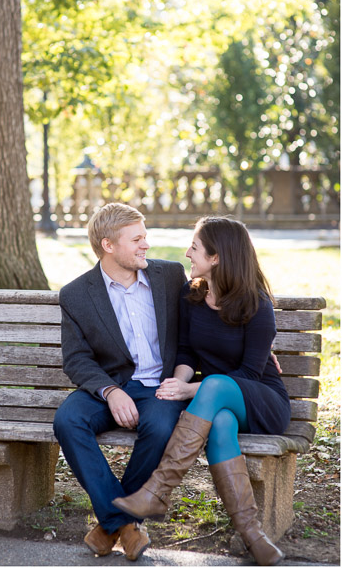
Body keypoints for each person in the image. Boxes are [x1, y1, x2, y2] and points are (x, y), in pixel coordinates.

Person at [112, 216, 289, 566]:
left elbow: (250, 374)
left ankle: (158, 492)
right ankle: (253, 535)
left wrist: (190, 390)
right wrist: (178, 382)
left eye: (194, 247)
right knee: (220, 422)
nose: (187, 253)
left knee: (217, 384)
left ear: (217, 257)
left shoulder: (257, 305)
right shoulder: (192, 295)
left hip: (259, 400)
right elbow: (187, 353)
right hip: (217, 402)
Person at [53, 203, 188, 561]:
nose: (146, 245)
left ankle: (111, 526)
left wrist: (258, 341)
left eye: (145, 236)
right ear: (108, 245)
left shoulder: (170, 276)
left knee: (159, 427)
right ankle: (124, 524)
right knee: (68, 420)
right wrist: (110, 391)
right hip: (109, 385)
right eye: (137, 239)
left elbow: (213, 307)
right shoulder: (76, 294)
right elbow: (77, 359)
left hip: (160, 387)